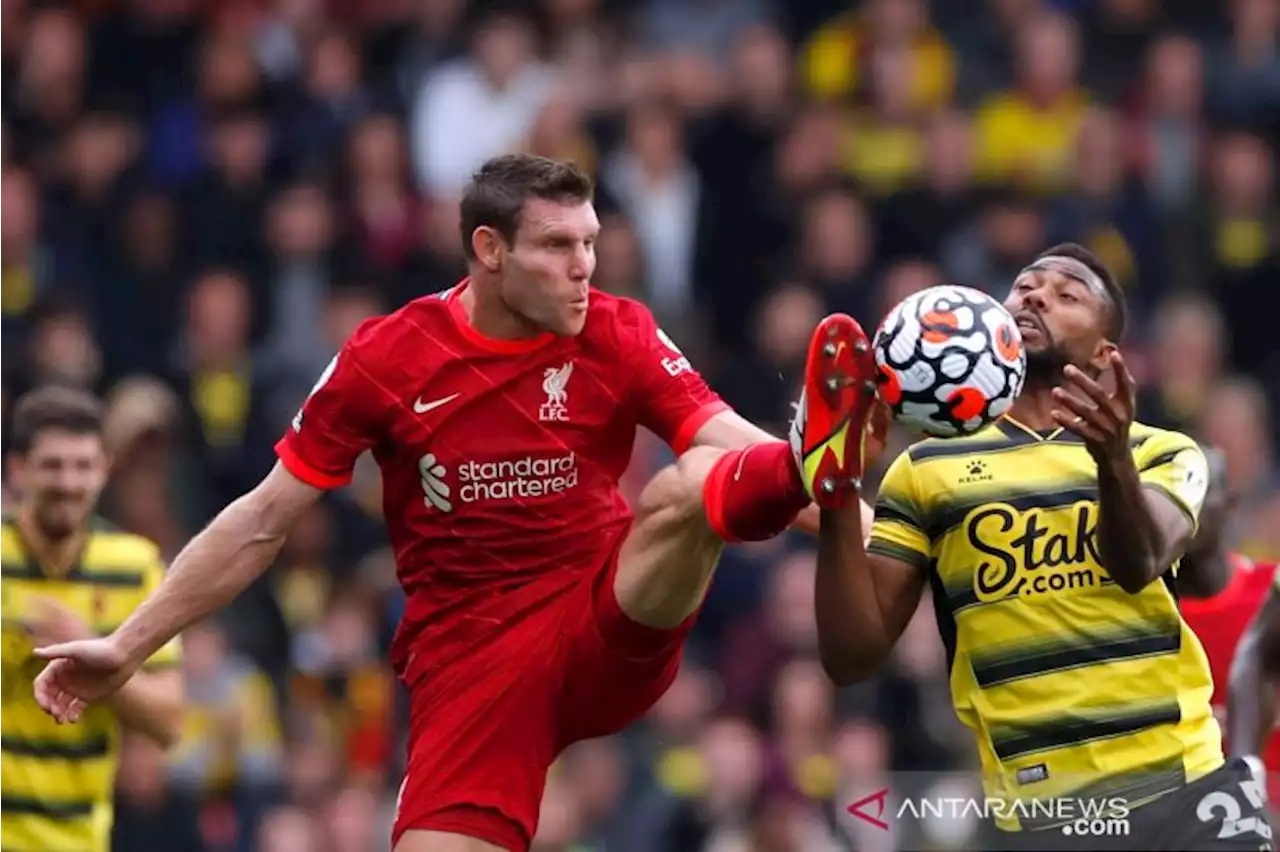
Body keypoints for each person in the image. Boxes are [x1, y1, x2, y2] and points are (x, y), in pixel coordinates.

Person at [27, 154, 864, 852]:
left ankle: (811, 466)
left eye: (591, 243)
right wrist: (129, 646)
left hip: (602, 618)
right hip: (471, 667)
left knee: (686, 489)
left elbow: (729, 442)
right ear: (488, 249)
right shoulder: (387, 357)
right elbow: (260, 521)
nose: (585, 267)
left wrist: (877, 518)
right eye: (557, 246)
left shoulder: (618, 330)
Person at [796, 243, 1275, 850]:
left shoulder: (1163, 452)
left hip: (1184, 793)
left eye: (1067, 293)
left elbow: (1139, 563)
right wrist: (838, 490)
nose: (1036, 296)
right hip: (1041, 821)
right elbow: (850, 656)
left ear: (1105, 350)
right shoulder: (924, 469)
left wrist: (1111, 459)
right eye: (1024, 287)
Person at [0, 385, 184, 852]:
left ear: (104, 470)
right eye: (52, 466)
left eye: (83, 466)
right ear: (18, 471)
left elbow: (168, 721)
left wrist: (103, 659)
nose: (68, 482)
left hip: (80, 838)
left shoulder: (134, 566)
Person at [1179, 447, 1280, 802]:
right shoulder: (1139, 618)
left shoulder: (1270, 595)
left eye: (1200, 487)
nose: (1186, 502)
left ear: (1230, 504)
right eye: (1172, 487)